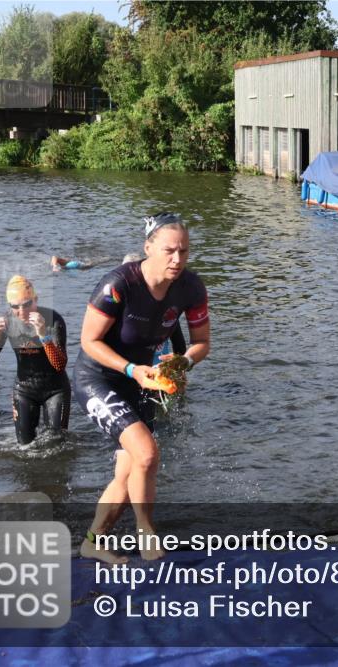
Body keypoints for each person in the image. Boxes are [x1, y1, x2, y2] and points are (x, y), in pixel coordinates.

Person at [74, 212, 210, 563]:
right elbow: (89, 341)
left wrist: (184, 361)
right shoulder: (118, 285)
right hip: (100, 378)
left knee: (131, 468)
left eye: (184, 251)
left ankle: (93, 541)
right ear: (148, 247)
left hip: (145, 378)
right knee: (147, 453)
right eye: (169, 251)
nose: (177, 259)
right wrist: (131, 369)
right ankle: (146, 533)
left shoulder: (191, 287)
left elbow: (202, 343)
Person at [0, 276, 70, 444]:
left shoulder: (53, 320)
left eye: (27, 304)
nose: (22, 311)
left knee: (57, 445)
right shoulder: (7, 321)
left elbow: (60, 365)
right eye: (15, 306)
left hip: (56, 390)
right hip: (24, 390)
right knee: (24, 447)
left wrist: (43, 335)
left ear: (35, 300)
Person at [121, 253, 188, 364]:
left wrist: (176, 360)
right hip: (149, 372)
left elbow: (180, 348)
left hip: (146, 372)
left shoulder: (117, 307)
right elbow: (180, 347)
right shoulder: (165, 306)